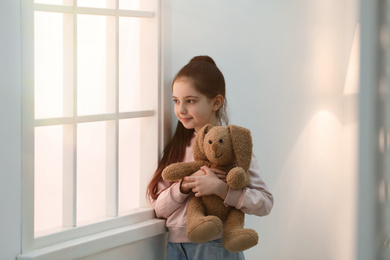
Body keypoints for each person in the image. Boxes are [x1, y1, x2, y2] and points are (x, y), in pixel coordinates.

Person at [146, 55, 273, 260]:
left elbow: (265, 203)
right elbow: (159, 209)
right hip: (176, 246)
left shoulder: (233, 148)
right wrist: (184, 186)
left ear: (216, 102)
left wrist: (221, 189)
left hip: (215, 246)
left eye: (190, 101)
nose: (181, 110)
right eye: (176, 101)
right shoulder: (177, 149)